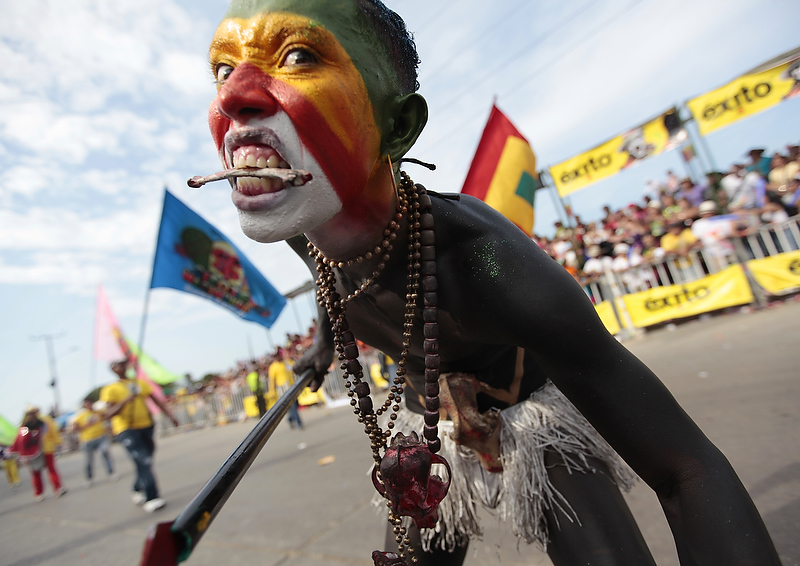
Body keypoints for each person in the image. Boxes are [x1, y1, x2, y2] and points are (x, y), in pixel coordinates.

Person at [204, 1, 780, 564]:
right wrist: (322, 347)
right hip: (423, 425)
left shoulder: (489, 260)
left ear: (399, 126)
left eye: (299, 56)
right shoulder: (301, 231)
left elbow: (687, 470)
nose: (232, 96)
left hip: (528, 412)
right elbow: (334, 291)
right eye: (223, 69)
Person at [100, 359, 178, 513]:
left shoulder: (139, 384)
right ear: (113, 369)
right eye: (117, 365)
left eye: (123, 363)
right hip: (127, 429)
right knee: (143, 460)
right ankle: (152, 497)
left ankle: (137, 488)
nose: (121, 366)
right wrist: (126, 400)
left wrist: (170, 415)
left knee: (145, 461)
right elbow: (108, 413)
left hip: (146, 426)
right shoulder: (111, 389)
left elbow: (156, 401)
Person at [9, 406, 66, 501]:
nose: (32, 415)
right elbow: (21, 441)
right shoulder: (24, 427)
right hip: (32, 453)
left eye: (34, 412)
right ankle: (39, 493)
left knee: (52, 469)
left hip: (46, 449)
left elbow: (53, 432)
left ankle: (58, 488)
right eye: (30, 413)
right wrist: (23, 455)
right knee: (36, 473)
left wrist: (58, 443)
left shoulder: (44, 422)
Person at [71, 397, 117, 486]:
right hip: (87, 440)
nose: (88, 405)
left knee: (105, 453)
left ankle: (111, 473)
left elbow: (107, 416)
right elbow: (74, 428)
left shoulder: (98, 412)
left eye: (90, 403)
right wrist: (86, 425)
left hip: (101, 437)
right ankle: (89, 478)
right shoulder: (80, 416)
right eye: (86, 404)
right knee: (89, 460)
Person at [268, 349, 302, 429]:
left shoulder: (286, 362)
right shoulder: (273, 367)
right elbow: (272, 381)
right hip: (283, 388)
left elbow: (294, 366)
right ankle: (299, 422)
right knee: (292, 405)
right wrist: (272, 392)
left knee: (295, 404)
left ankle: (290, 418)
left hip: (291, 386)